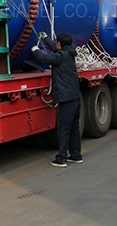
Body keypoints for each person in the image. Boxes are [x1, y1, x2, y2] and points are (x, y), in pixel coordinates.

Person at [31, 32, 82, 168]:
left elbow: (45, 58)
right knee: (74, 128)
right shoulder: (69, 52)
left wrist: (35, 51)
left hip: (66, 98)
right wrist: (46, 39)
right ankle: (76, 155)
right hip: (75, 96)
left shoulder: (61, 57)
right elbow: (55, 48)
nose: (56, 44)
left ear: (60, 44)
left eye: (57, 42)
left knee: (64, 129)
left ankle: (61, 158)